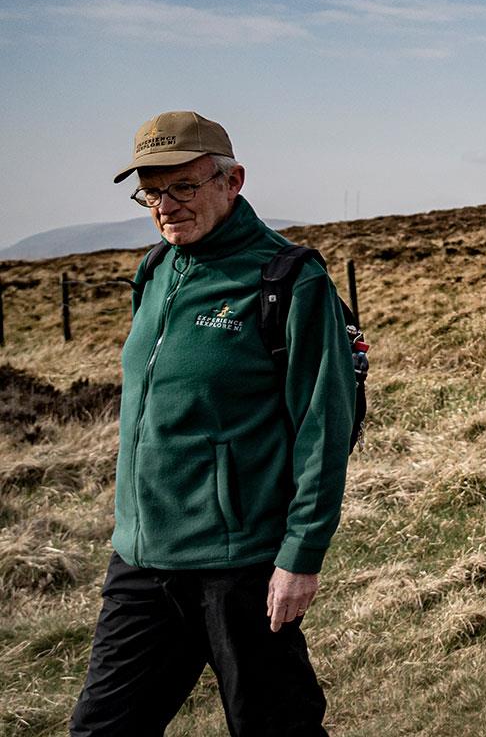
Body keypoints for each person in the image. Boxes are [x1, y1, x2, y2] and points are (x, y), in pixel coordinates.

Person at [73, 111, 356, 736]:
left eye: (183, 187)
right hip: (142, 563)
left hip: (241, 565)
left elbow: (323, 426)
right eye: (151, 192)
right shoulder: (153, 271)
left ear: (233, 181)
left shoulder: (288, 279)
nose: (166, 206)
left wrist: (301, 556)